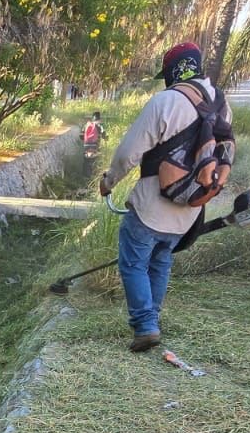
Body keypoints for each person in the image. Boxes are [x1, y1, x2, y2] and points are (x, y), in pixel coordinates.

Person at [99, 42, 234, 353]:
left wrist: (109, 182)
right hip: (190, 207)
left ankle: (146, 326)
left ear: (173, 71)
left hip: (152, 205)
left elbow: (128, 154)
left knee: (133, 263)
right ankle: (152, 319)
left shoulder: (166, 101)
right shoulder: (221, 103)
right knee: (160, 262)